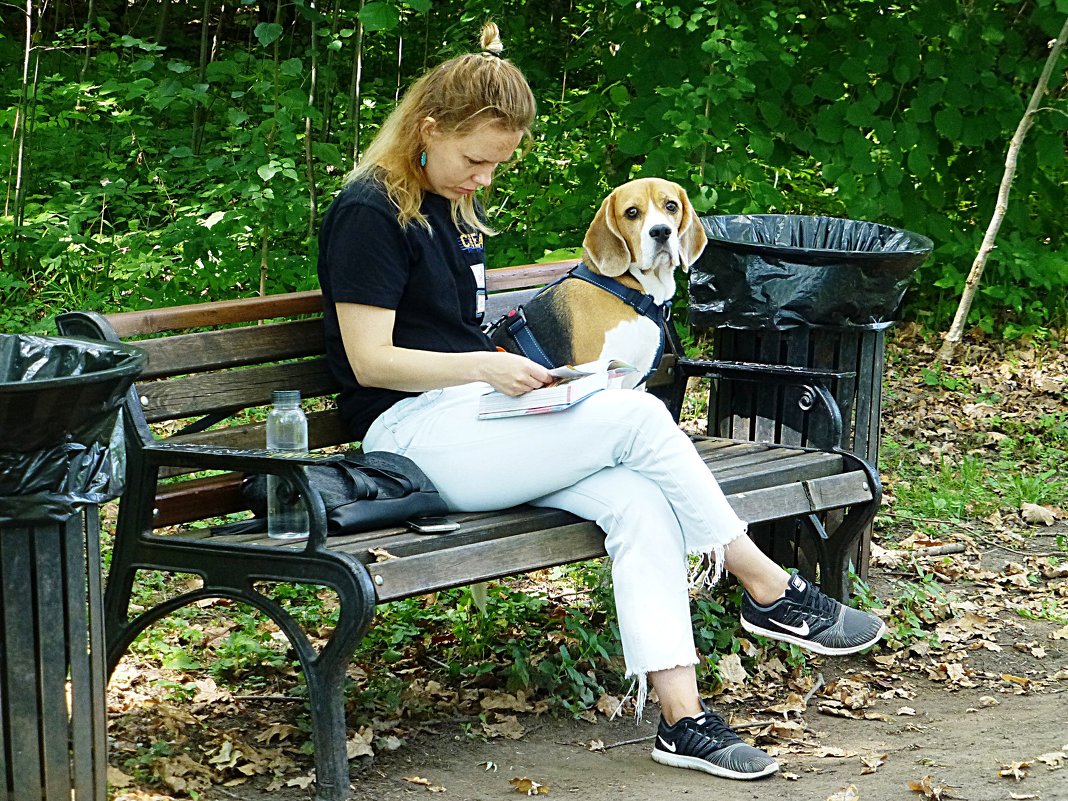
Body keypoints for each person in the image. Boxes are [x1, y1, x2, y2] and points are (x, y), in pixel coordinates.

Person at [317, 22, 886, 782]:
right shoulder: (369, 212)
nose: (485, 178)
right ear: (428, 130)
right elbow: (369, 359)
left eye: (497, 163)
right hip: (408, 439)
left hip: (478, 426)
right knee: (639, 413)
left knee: (638, 502)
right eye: (477, 159)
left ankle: (684, 721)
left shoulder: (447, 206)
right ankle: (769, 585)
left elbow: (454, 335)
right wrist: (488, 367)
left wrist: (520, 379)